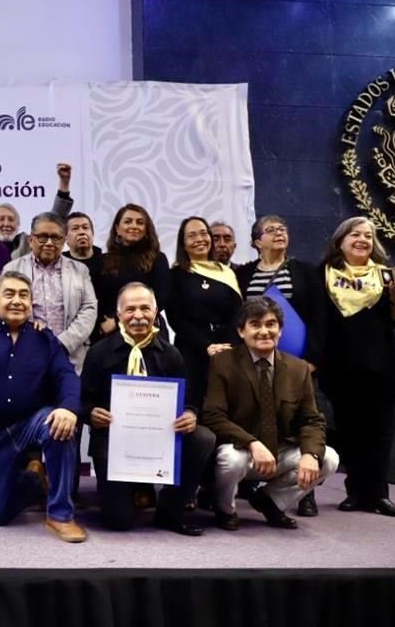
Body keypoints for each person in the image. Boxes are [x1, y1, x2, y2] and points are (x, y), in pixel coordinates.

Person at [0, 271, 87, 543]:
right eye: (9, 294)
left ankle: (60, 515)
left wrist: (69, 407)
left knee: (59, 424)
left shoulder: (44, 338)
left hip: (31, 424)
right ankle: (35, 481)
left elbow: (66, 376)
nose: (17, 301)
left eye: (24, 295)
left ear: (31, 303)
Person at [80, 283, 215, 535]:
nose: (139, 315)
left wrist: (189, 414)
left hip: (159, 439)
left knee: (202, 438)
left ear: (155, 313)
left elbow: (189, 399)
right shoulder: (99, 352)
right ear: (119, 315)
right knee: (119, 522)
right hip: (113, 442)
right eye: (130, 309)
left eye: (145, 308)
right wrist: (91, 414)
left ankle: (171, 508)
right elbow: (83, 400)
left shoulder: (171, 354)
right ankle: (129, 492)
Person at [202, 296, 339, 531]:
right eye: (255, 324)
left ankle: (270, 502)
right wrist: (252, 443)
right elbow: (213, 416)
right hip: (242, 450)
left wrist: (311, 455)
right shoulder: (223, 363)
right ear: (241, 331)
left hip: (280, 451)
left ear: (280, 330)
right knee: (230, 460)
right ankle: (225, 509)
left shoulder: (298, 368)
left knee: (328, 458)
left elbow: (312, 419)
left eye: (271, 324)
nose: (264, 331)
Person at [235, 214, 328, 517]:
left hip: (298, 365)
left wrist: (312, 361)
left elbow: (320, 318)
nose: (279, 234)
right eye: (271, 230)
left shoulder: (304, 272)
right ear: (256, 241)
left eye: (283, 229)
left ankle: (305, 492)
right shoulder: (244, 274)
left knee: (301, 421)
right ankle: (254, 480)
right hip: (254, 362)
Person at [319, 217, 395, 518]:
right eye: (355, 234)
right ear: (340, 241)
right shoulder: (324, 274)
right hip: (341, 365)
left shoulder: (385, 275)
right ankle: (356, 491)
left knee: (381, 431)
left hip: (381, 364)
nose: (362, 240)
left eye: (369, 236)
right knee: (350, 431)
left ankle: (379, 495)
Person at [2, 212, 97, 375]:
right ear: (31, 240)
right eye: (43, 237)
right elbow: (5, 309)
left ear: (64, 240)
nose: (49, 243)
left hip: (70, 356)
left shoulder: (80, 270)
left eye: (56, 238)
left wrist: (63, 343)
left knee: (68, 400)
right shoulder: (12, 269)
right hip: (25, 355)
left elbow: (89, 308)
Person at [167, 216, 242, 411]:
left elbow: (237, 313)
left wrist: (229, 345)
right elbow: (176, 319)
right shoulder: (176, 275)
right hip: (192, 350)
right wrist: (206, 345)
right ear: (183, 243)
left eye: (203, 233)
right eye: (192, 235)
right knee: (193, 407)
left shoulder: (226, 273)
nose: (200, 239)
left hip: (227, 349)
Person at [95, 204, 172, 341]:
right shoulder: (103, 261)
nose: (134, 226)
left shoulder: (157, 259)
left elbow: (162, 297)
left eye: (140, 222)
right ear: (117, 229)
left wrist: (118, 322)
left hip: (149, 330)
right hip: (111, 335)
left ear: (146, 230)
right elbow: (99, 300)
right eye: (128, 221)